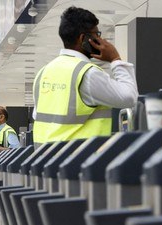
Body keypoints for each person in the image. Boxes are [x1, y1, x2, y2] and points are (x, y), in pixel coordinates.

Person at [32, 7, 138, 146]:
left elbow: (38, 117)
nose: (100, 39)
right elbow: (129, 98)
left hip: (43, 162)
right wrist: (115, 59)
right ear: (84, 38)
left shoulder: (43, 72)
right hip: (77, 162)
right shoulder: (87, 73)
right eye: (96, 34)